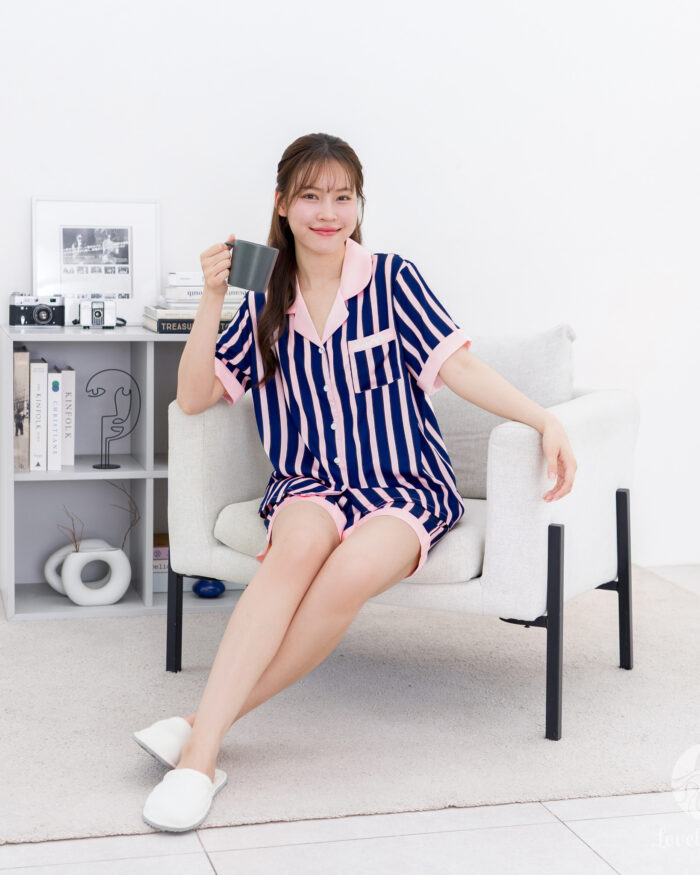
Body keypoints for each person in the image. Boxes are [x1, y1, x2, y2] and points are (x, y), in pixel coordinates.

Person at [145, 132, 577, 826]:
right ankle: (202, 753)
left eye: (343, 197)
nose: (328, 212)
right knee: (293, 553)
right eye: (311, 196)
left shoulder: (393, 280)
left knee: (345, 576)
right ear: (282, 204)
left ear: (358, 205)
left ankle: (201, 741)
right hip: (307, 484)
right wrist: (212, 296)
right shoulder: (262, 299)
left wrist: (544, 418)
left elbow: (461, 367)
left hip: (405, 486)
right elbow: (194, 397)